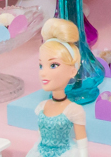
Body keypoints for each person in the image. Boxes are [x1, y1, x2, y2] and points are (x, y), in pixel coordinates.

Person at [29, 18, 88, 157]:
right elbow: (39, 138)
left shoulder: (74, 110)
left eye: (53, 65)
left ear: (73, 71)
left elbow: (82, 142)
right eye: (41, 66)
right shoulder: (41, 107)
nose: (43, 72)